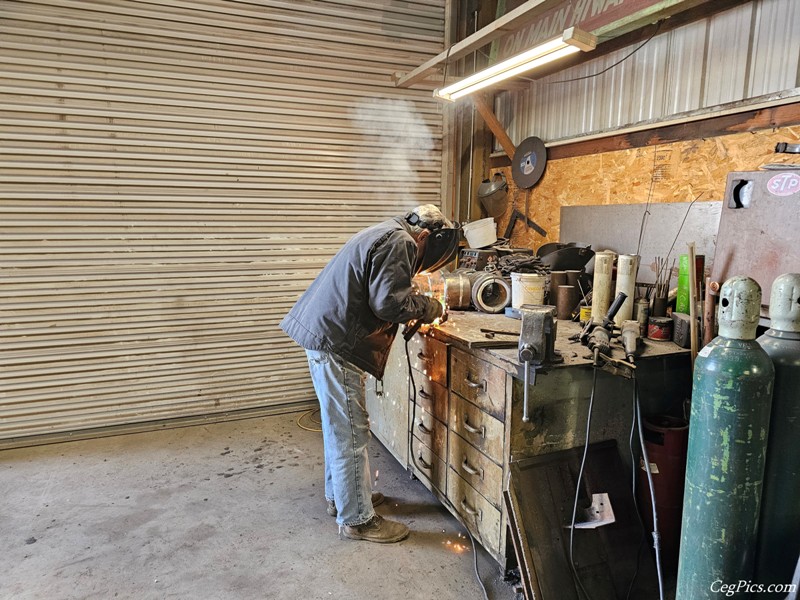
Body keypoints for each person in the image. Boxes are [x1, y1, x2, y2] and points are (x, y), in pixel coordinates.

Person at [280, 204, 457, 543]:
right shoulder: (400, 241)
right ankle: (358, 520)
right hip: (335, 341)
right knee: (350, 431)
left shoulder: (383, 231)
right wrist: (430, 307)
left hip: (324, 334)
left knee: (339, 426)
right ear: (423, 237)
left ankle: (345, 498)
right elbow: (388, 304)